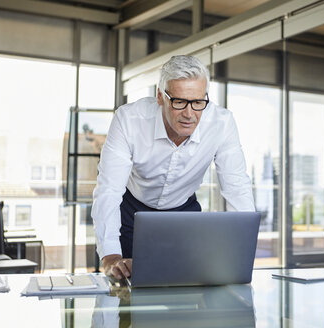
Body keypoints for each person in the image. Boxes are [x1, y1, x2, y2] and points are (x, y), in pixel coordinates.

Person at [91, 55, 255, 280]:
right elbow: (108, 190)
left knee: (187, 288)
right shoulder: (129, 119)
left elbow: (237, 187)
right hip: (132, 212)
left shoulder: (221, 123)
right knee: (126, 291)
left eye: (198, 102)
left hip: (183, 213)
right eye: (179, 102)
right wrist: (110, 256)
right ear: (160, 96)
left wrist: (244, 252)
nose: (189, 114)